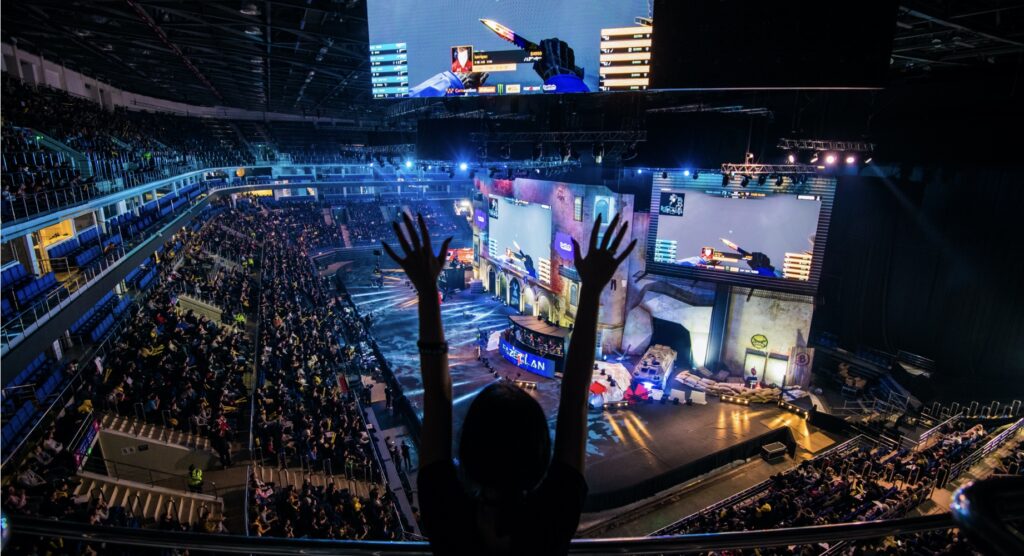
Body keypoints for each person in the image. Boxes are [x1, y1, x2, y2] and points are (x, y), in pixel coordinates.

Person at [384, 212, 634, 555]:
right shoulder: (547, 522)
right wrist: (592, 291)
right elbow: (576, 399)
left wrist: (428, 291)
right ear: (540, 456)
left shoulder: (450, 517)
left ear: (467, 452)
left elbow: (438, 398)